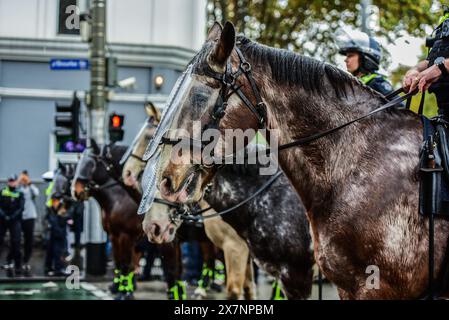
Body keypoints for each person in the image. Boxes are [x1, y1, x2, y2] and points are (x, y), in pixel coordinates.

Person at [403, 6, 449, 118]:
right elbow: (434, 58)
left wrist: (441, 67)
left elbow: (440, 64)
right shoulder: (445, 18)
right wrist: (415, 70)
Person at [338, 30, 397, 97]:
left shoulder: (377, 83)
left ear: (365, 58)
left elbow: (399, 106)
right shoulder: (355, 84)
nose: (345, 60)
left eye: (350, 56)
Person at [0, 174, 25, 277]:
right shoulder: (2, 191)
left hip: (15, 220)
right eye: (10, 181)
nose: (11, 183)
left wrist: (12, 217)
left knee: (16, 241)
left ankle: (18, 266)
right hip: (2, 220)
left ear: (16, 182)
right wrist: (4, 215)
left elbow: (21, 208)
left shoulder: (19, 193)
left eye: (13, 181)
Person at [17, 170, 39, 276]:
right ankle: (17, 260)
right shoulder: (18, 188)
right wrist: (19, 181)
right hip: (20, 217)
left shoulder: (31, 188)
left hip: (30, 217)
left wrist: (29, 183)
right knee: (16, 239)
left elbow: (36, 193)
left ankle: (26, 260)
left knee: (28, 240)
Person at [44, 192, 69, 276]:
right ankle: (49, 267)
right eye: (53, 200)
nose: (54, 202)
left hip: (60, 234)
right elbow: (47, 219)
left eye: (56, 201)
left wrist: (58, 217)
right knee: (50, 251)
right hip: (52, 234)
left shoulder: (62, 210)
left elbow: (63, 221)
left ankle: (58, 268)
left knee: (58, 251)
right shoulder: (50, 209)